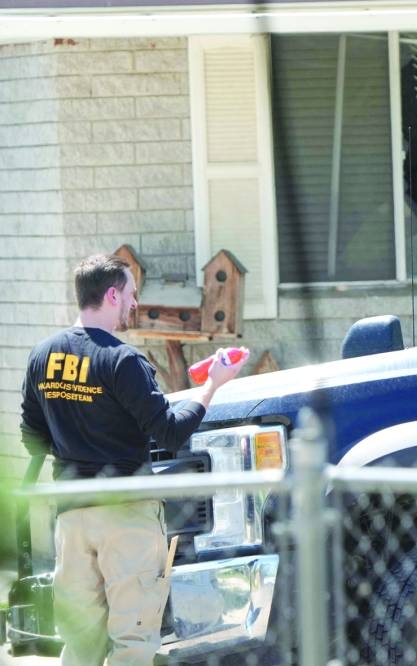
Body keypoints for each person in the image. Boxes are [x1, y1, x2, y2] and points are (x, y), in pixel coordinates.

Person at [20, 254, 250, 666]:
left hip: (72, 518)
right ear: (112, 294)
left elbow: (32, 438)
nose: (134, 304)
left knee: (80, 645)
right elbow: (170, 432)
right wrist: (212, 386)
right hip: (126, 514)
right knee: (134, 643)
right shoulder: (123, 360)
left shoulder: (43, 356)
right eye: (130, 294)